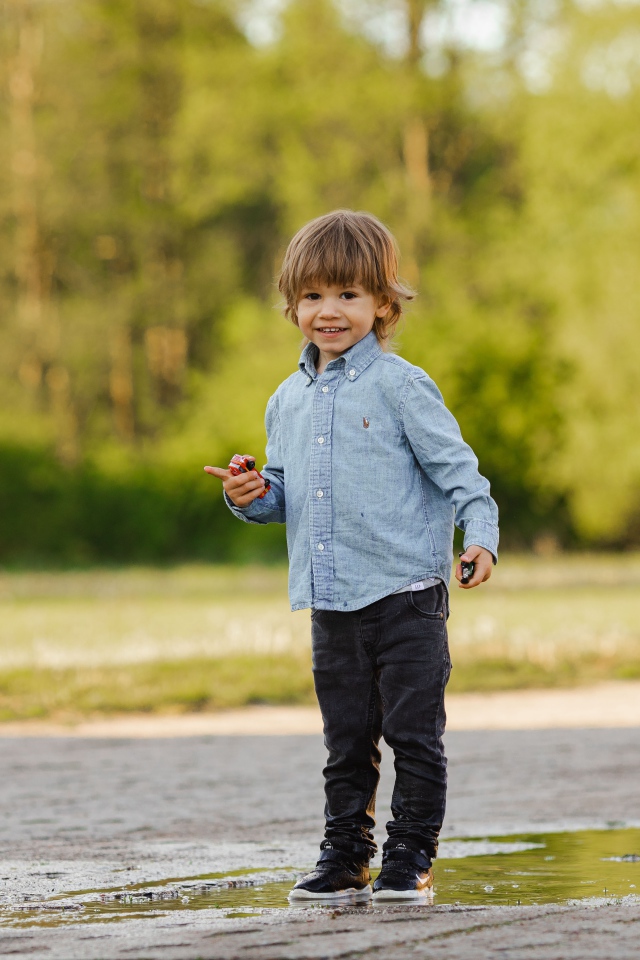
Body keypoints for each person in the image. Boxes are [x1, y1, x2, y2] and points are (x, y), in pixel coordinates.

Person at [205, 210, 498, 902]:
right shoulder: (286, 400)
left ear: (383, 304)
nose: (328, 311)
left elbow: (460, 473)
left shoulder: (401, 385)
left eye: (347, 294)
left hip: (406, 595)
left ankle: (410, 855)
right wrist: (252, 494)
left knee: (413, 735)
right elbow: (286, 493)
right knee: (346, 741)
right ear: (292, 305)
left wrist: (480, 535)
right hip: (330, 600)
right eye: (312, 296)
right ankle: (345, 855)